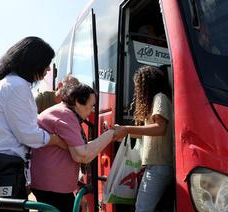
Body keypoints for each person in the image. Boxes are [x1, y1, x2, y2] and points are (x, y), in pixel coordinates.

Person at [0, 37, 66, 206]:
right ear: (33, 61)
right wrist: (57, 140)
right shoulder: (18, 86)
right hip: (6, 168)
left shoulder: (2, 84)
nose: (47, 69)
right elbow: (29, 135)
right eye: (45, 63)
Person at [30, 83, 115, 212]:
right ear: (78, 102)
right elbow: (82, 155)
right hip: (53, 186)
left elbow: (78, 152)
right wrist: (111, 133)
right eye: (91, 106)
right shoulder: (66, 115)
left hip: (52, 185)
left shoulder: (63, 113)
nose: (92, 110)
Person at [113, 65, 173, 212]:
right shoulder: (159, 99)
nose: (138, 90)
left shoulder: (160, 98)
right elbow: (148, 132)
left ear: (147, 84)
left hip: (159, 165)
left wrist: (127, 129)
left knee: (142, 208)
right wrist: (121, 133)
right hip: (158, 165)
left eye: (139, 86)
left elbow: (160, 128)